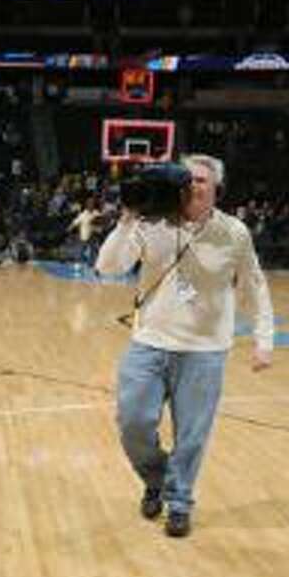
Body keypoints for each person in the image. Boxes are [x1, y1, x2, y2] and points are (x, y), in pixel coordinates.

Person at [95, 154, 273, 538]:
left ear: (216, 188)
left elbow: (254, 286)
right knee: (133, 423)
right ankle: (157, 478)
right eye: (187, 179)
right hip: (149, 342)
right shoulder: (152, 222)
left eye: (202, 181)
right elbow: (108, 267)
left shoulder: (234, 232)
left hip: (205, 350)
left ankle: (179, 501)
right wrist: (127, 218)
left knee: (191, 435)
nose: (194, 186)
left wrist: (264, 339)